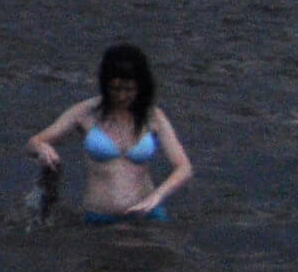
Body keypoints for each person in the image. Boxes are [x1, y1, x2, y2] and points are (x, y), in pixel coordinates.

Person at [27, 43, 193, 223]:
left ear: (140, 87)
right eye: (115, 89)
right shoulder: (86, 112)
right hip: (99, 218)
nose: (121, 96)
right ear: (105, 85)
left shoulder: (153, 116)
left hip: (146, 216)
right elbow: (33, 142)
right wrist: (41, 148)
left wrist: (157, 196)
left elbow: (183, 167)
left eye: (129, 90)